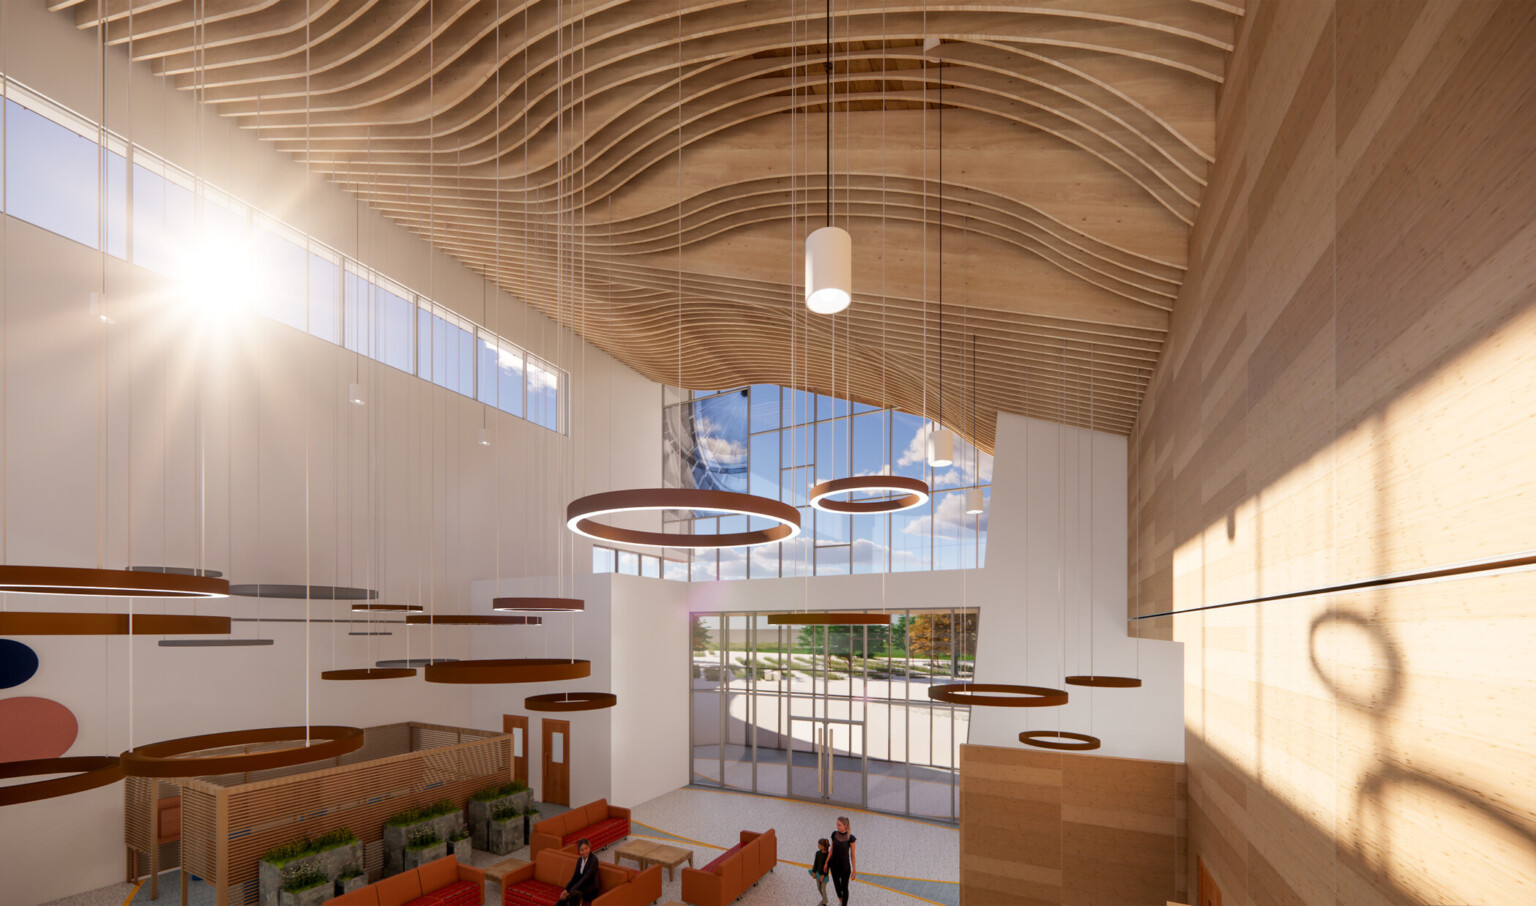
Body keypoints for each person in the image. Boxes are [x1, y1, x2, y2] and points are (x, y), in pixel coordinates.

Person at [555, 838, 600, 905]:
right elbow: (574, 877)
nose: (584, 851)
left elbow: (586, 878)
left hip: (591, 889)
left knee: (573, 895)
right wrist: (565, 889)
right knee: (564, 896)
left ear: (589, 848)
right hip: (581, 886)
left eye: (586, 848)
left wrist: (571, 890)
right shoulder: (580, 860)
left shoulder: (594, 860)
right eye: (582, 850)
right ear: (579, 851)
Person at [827, 816, 856, 906]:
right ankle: (840, 899)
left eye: (839, 825)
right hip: (834, 864)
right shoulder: (834, 834)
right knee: (836, 885)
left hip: (844, 866)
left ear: (845, 826)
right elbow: (831, 850)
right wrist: (826, 863)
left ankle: (844, 904)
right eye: (837, 824)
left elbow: (852, 855)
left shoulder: (851, 838)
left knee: (844, 887)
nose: (837, 826)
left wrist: (854, 870)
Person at [808, 837, 831, 906]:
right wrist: (814, 872)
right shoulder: (818, 853)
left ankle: (825, 900)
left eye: (819, 845)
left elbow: (827, 867)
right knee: (819, 888)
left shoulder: (828, 855)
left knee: (823, 888)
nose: (818, 846)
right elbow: (815, 863)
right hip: (818, 873)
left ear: (823, 846)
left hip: (824, 875)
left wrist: (823, 875)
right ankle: (824, 899)